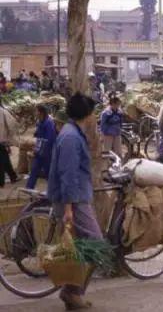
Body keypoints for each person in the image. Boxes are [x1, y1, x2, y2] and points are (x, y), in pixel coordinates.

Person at [48, 92, 102, 309]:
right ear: (86, 115)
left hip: (77, 196)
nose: (94, 117)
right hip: (74, 199)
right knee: (96, 245)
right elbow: (67, 175)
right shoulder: (71, 137)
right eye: (92, 114)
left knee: (78, 247)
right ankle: (72, 292)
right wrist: (69, 208)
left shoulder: (72, 132)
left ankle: (71, 292)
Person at [26, 104, 57, 189]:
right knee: (34, 170)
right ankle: (29, 188)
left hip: (47, 152)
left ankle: (53, 190)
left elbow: (50, 139)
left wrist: (41, 148)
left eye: (36, 111)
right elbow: (37, 134)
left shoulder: (49, 123)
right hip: (39, 151)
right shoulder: (40, 122)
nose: (35, 113)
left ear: (41, 112)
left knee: (48, 172)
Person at [0, 103, 19, 187]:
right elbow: (12, 124)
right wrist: (9, 137)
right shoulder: (3, 112)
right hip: (1, 140)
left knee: (4, 159)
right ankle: (9, 178)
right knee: (3, 159)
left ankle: (12, 176)